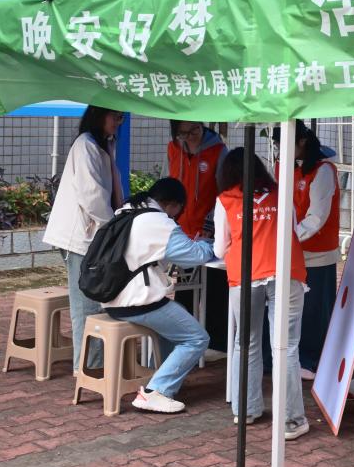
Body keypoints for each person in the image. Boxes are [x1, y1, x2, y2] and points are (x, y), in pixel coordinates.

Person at [215, 148, 310, 439]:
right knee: (286, 346)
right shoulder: (281, 194)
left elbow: (219, 248)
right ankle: (291, 420)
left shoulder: (225, 200)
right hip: (286, 272)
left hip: (244, 275)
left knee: (246, 343)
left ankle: (246, 409)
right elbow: (294, 231)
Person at [101, 178, 215, 413]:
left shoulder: (127, 210)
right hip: (138, 301)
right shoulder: (158, 222)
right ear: (173, 205)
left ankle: (161, 375)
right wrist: (208, 244)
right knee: (197, 338)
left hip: (111, 296)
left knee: (178, 316)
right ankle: (156, 391)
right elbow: (193, 256)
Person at [42, 106, 124, 372]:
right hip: (81, 237)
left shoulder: (103, 144)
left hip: (91, 235)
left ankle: (94, 365)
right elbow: (92, 197)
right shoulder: (86, 145)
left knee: (94, 303)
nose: (118, 122)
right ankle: (87, 368)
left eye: (121, 117)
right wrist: (114, 226)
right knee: (86, 306)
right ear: (99, 115)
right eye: (115, 116)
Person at [273, 120, 341, 380]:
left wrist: (290, 238)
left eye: (284, 144)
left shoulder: (323, 171)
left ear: (301, 141)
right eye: (277, 145)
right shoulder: (286, 166)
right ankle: (297, 357)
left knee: (315, 310)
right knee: (294, 308)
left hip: (317, 252)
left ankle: (312, 360)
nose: (280, 150)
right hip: (292, 249)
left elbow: (317, 216)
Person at [167, 120, 230, 352]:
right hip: (181, 231)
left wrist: (211, 223)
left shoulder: (218, 151)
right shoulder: (173, 148)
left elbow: (225, 193)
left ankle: (217, 343)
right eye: (183, 133)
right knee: (185, 289)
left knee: (215, 286)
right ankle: (185, 340)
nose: (190, 136)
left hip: (208, 231)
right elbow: (169, 184)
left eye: (194, 130)